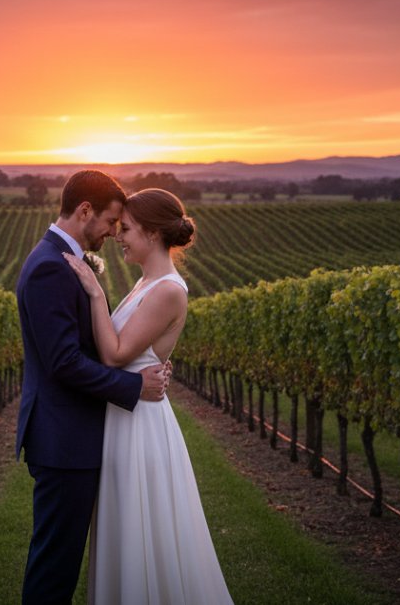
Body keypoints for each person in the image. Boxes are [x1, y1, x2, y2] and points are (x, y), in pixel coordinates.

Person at [63, 188, 234, 605]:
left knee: (143, 526)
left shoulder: (168, 290)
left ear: (154, 234)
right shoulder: (147, 282)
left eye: (128, 229)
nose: (119, 236)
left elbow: (116, 354)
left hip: (140, 423)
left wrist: (96, 293)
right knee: (126, 527)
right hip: (127, 413)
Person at [15, 169, 170, 605]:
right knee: (54, 568)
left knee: (58, 562)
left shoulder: (60, 260)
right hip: (64, 442)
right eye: (110, 221)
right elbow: (63, 363)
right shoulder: (50, 267)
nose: (112, 233)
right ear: (85, 211)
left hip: (70, 438)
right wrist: (131, 386)